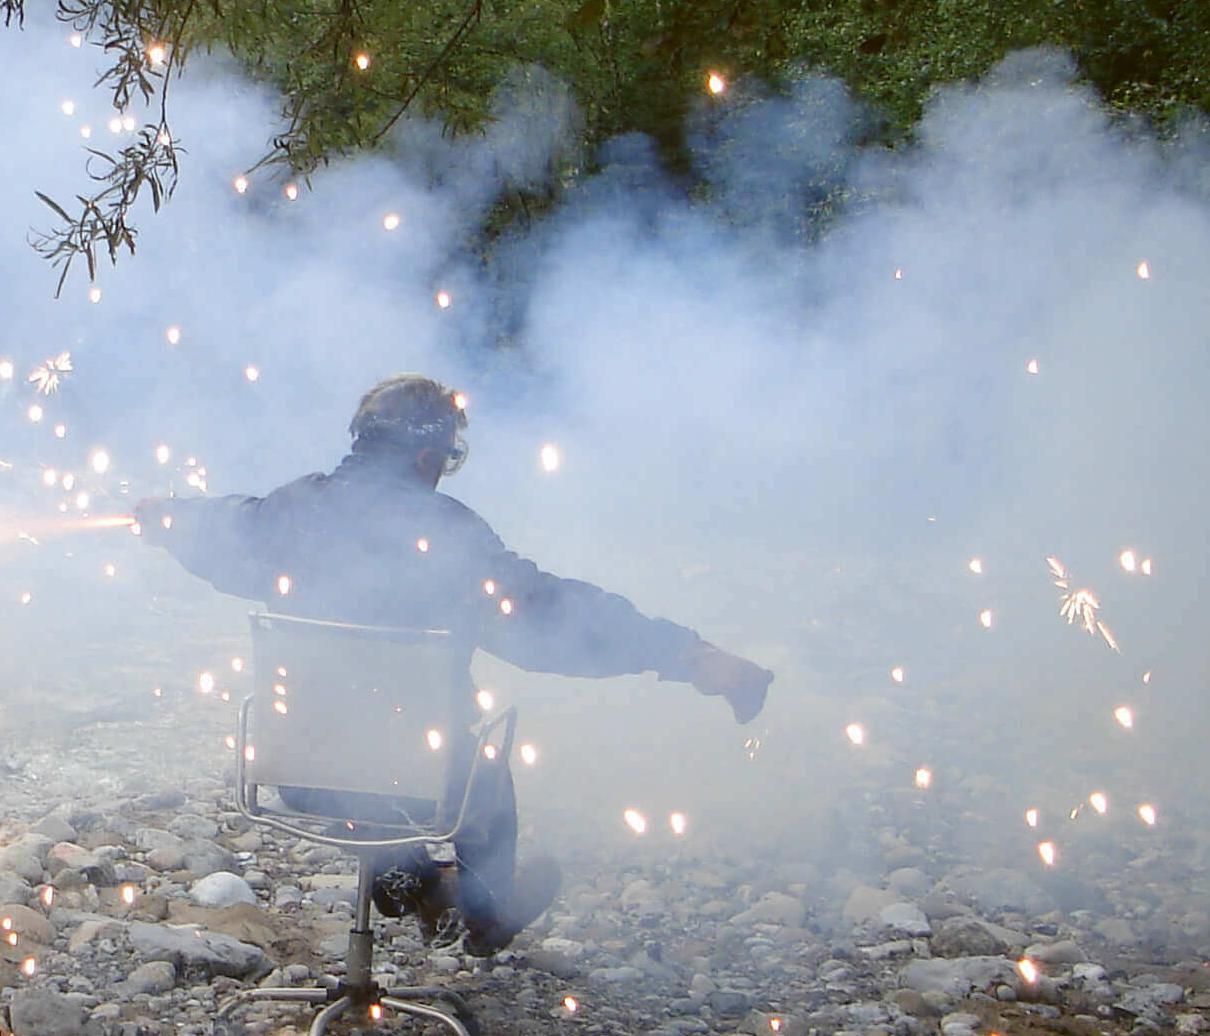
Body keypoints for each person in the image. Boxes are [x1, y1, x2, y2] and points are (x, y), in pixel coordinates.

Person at [136, 373, 771, 952]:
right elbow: (554, 617)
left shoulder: (291, 511)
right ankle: (482, 908)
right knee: (477, 761)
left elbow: (220, 525)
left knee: (368, 754)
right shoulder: (452, 538)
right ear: (427, 457)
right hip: (419, 774)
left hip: (298, 769)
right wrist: (684, 654)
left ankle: (412, 882)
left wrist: (167, 518)